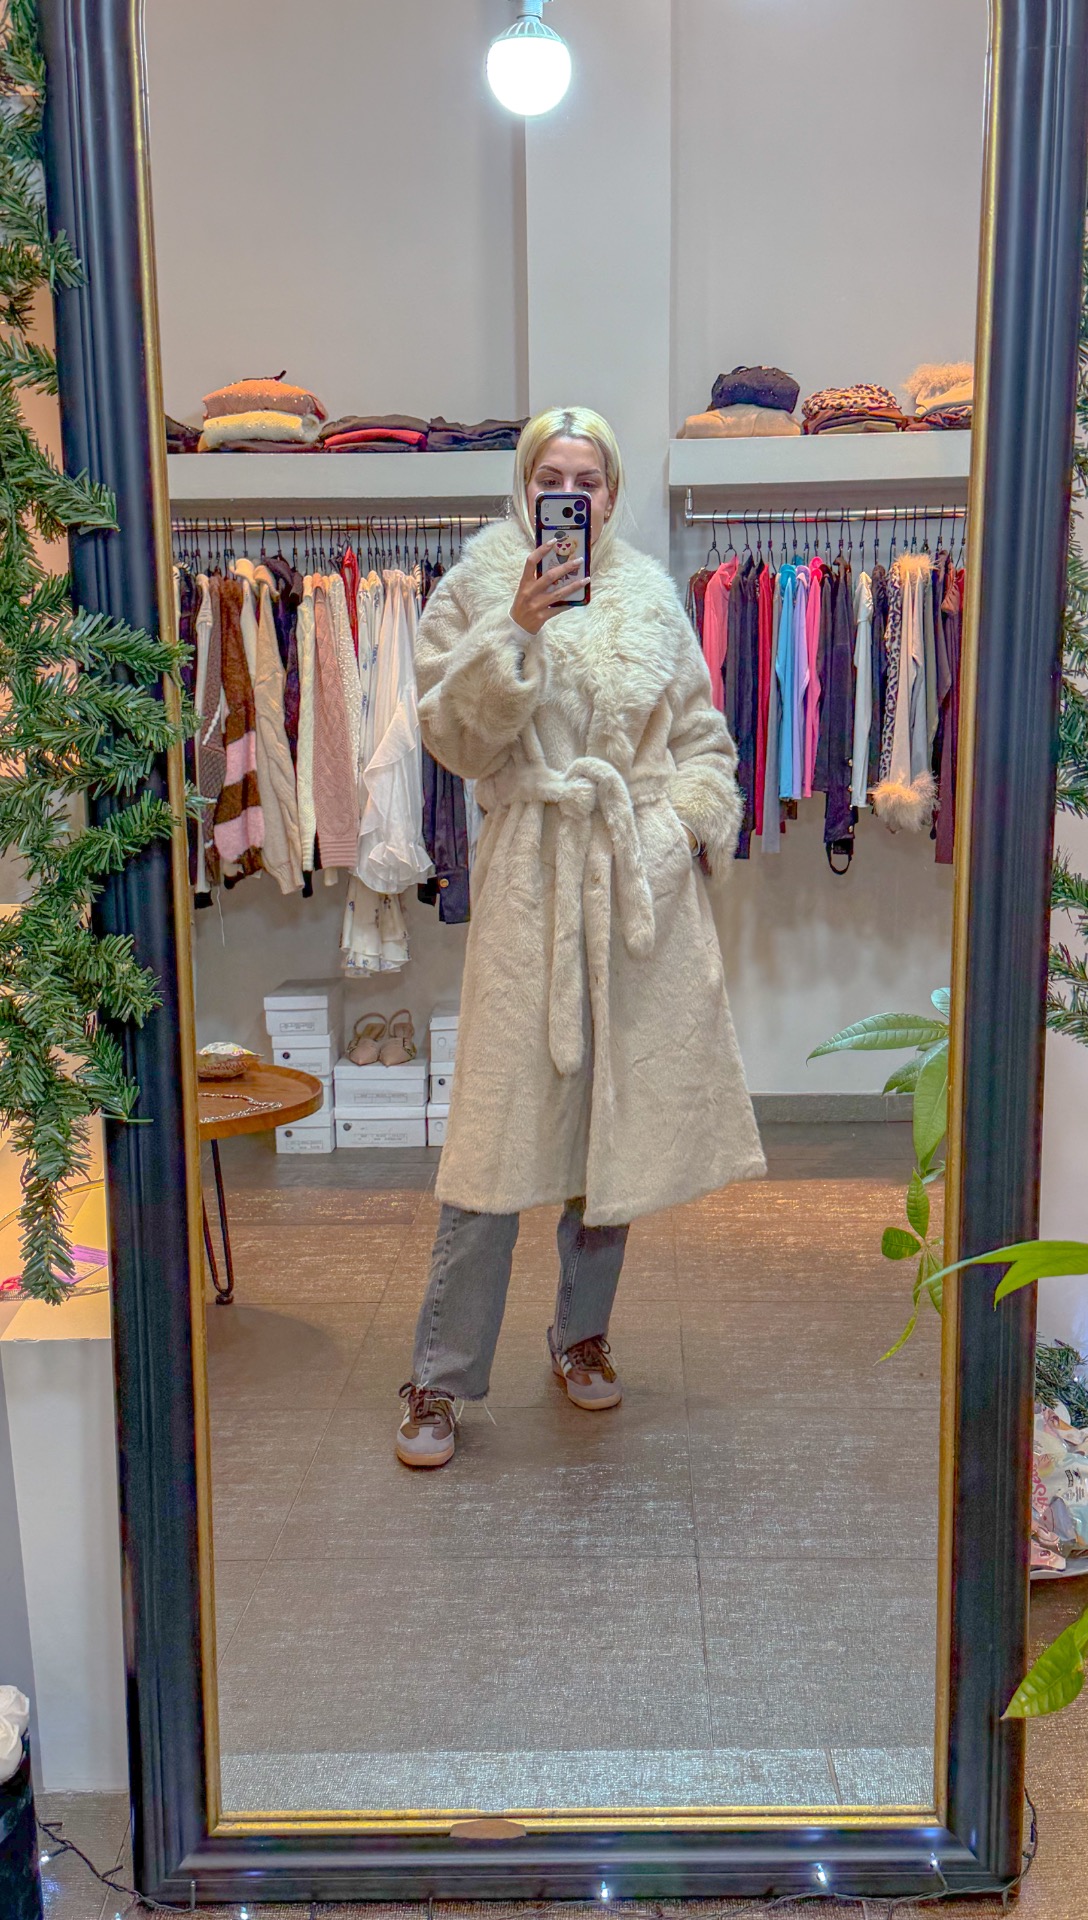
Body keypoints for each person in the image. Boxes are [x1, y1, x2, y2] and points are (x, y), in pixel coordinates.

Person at [396, 406, 764, 1468]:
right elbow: (453, 737)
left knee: (616, 1129)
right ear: (525, 486)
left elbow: (702, 738)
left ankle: (582, 1334)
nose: (570, 495)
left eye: (587, 480)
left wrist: (679, 830)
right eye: (551, 477)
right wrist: (513, 627)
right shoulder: (478, 584)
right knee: (494, 1139)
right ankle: (439, 1378)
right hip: (531, 881)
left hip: (633, 879)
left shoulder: (649, 593)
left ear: (611, 492)